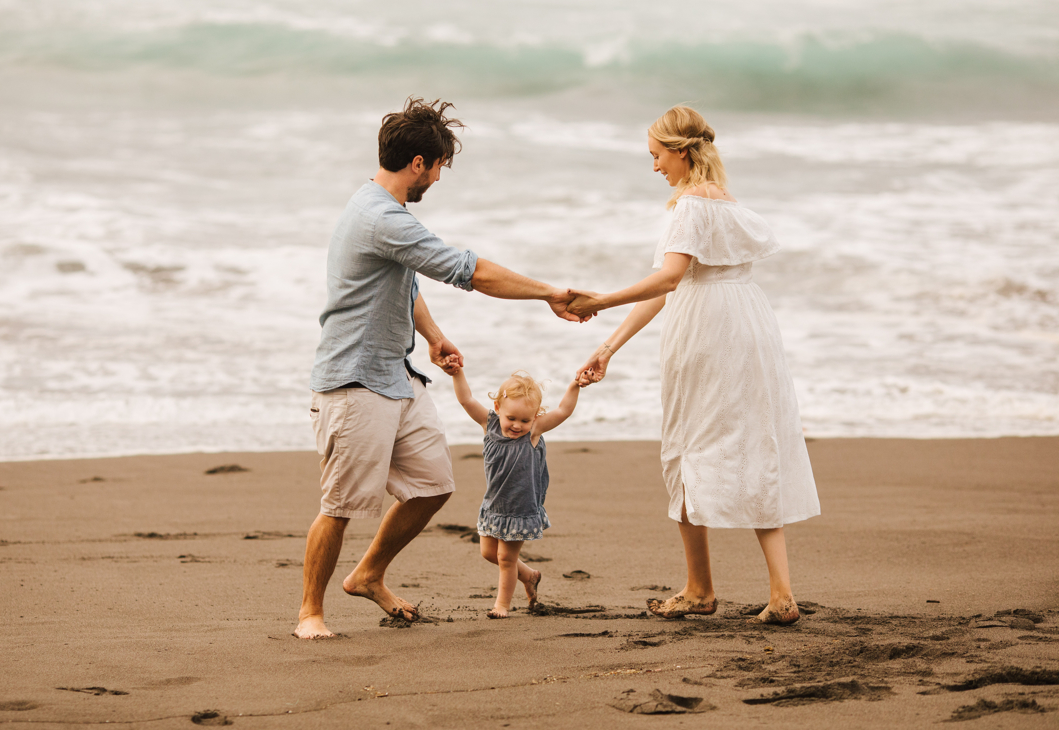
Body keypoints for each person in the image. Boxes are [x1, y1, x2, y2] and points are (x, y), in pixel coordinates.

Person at [296, 97, 588, 640]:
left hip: (397, 376)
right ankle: (309, 614)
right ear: (418, 164)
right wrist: (549, 291)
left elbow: (404, 283)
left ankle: (367, 575)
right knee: (339, 504)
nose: (437, 178)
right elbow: (467, 271)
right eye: (438, 167)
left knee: (432, 485)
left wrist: (432, 336)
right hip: (354, 381)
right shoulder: (381, 217)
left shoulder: (385, 213)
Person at [569, 106, 820, 626]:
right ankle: (781, 593)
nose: (655, 166)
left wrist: (601, 300)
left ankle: (699, 588)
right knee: (757, 446)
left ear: (681, 151)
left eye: (657, 155)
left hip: (709, 333)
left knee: (684, 448)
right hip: (749, 325)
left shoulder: (687, 207)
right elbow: (673, 283)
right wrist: (609, 346)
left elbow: (667, 280)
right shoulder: (727, 204)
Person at [446, 367, 588, 618]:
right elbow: (466, 399)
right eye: (511, 418)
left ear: (535, 417)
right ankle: (530, 576)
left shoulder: (533, 433)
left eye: (525, 420)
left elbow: (563, 411)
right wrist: (457, 372)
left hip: (519, 511)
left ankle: (502, 605)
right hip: (493, 506)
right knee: (489, 553)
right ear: (497, 407)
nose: (517, 425)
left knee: (505, 559)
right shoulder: (489, 425)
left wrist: (574, 385)